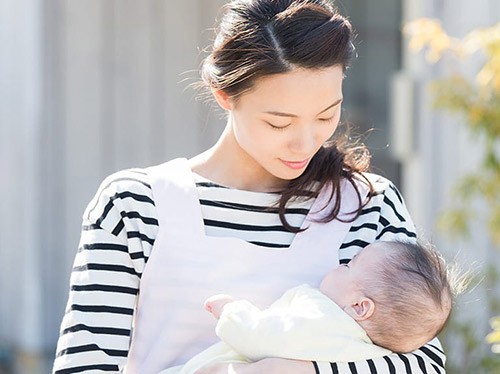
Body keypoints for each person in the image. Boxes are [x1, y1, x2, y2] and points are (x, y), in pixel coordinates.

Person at [52, 0, 447, 373]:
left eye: (326, 116)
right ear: (225, 95)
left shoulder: (366, 204)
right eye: (279, 123)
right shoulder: (135, 205)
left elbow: (425, 363)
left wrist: (292, 371)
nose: (306, 142)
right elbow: (84, 365)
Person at [161, 241, 455, 374]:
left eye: (349, 266)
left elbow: (261, 337)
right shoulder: (370, 351)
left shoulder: (322, 320)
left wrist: (231, 310)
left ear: (359, 307)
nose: (341, 265)